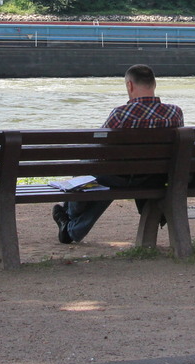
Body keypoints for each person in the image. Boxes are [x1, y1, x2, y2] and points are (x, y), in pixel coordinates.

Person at [53, 64, 184, 244]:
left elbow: (97, 147)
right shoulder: (175, 113)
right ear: (154, 84)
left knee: (97, 175)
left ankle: (69, 216)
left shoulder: (120, 114)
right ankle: (69, 228)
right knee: (108, 178)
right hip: (152, 178)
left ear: (130, 85)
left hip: (118, 178)